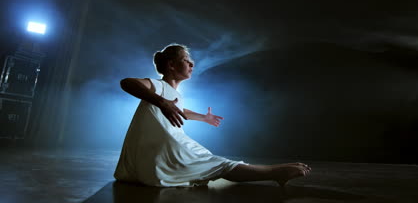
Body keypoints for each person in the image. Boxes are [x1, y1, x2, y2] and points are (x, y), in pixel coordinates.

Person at [114, 43, 311, 187]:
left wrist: (202, 117)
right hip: (161, 150)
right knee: (214, 163)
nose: (192, 64)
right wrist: (161, 102)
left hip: (166, 146)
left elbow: (180, 111)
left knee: (210, 161)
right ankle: (275, 172)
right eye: (186, 60)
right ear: (172, 65)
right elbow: (127, 82)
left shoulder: (175, 95)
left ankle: (272, 171)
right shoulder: (156, 85)